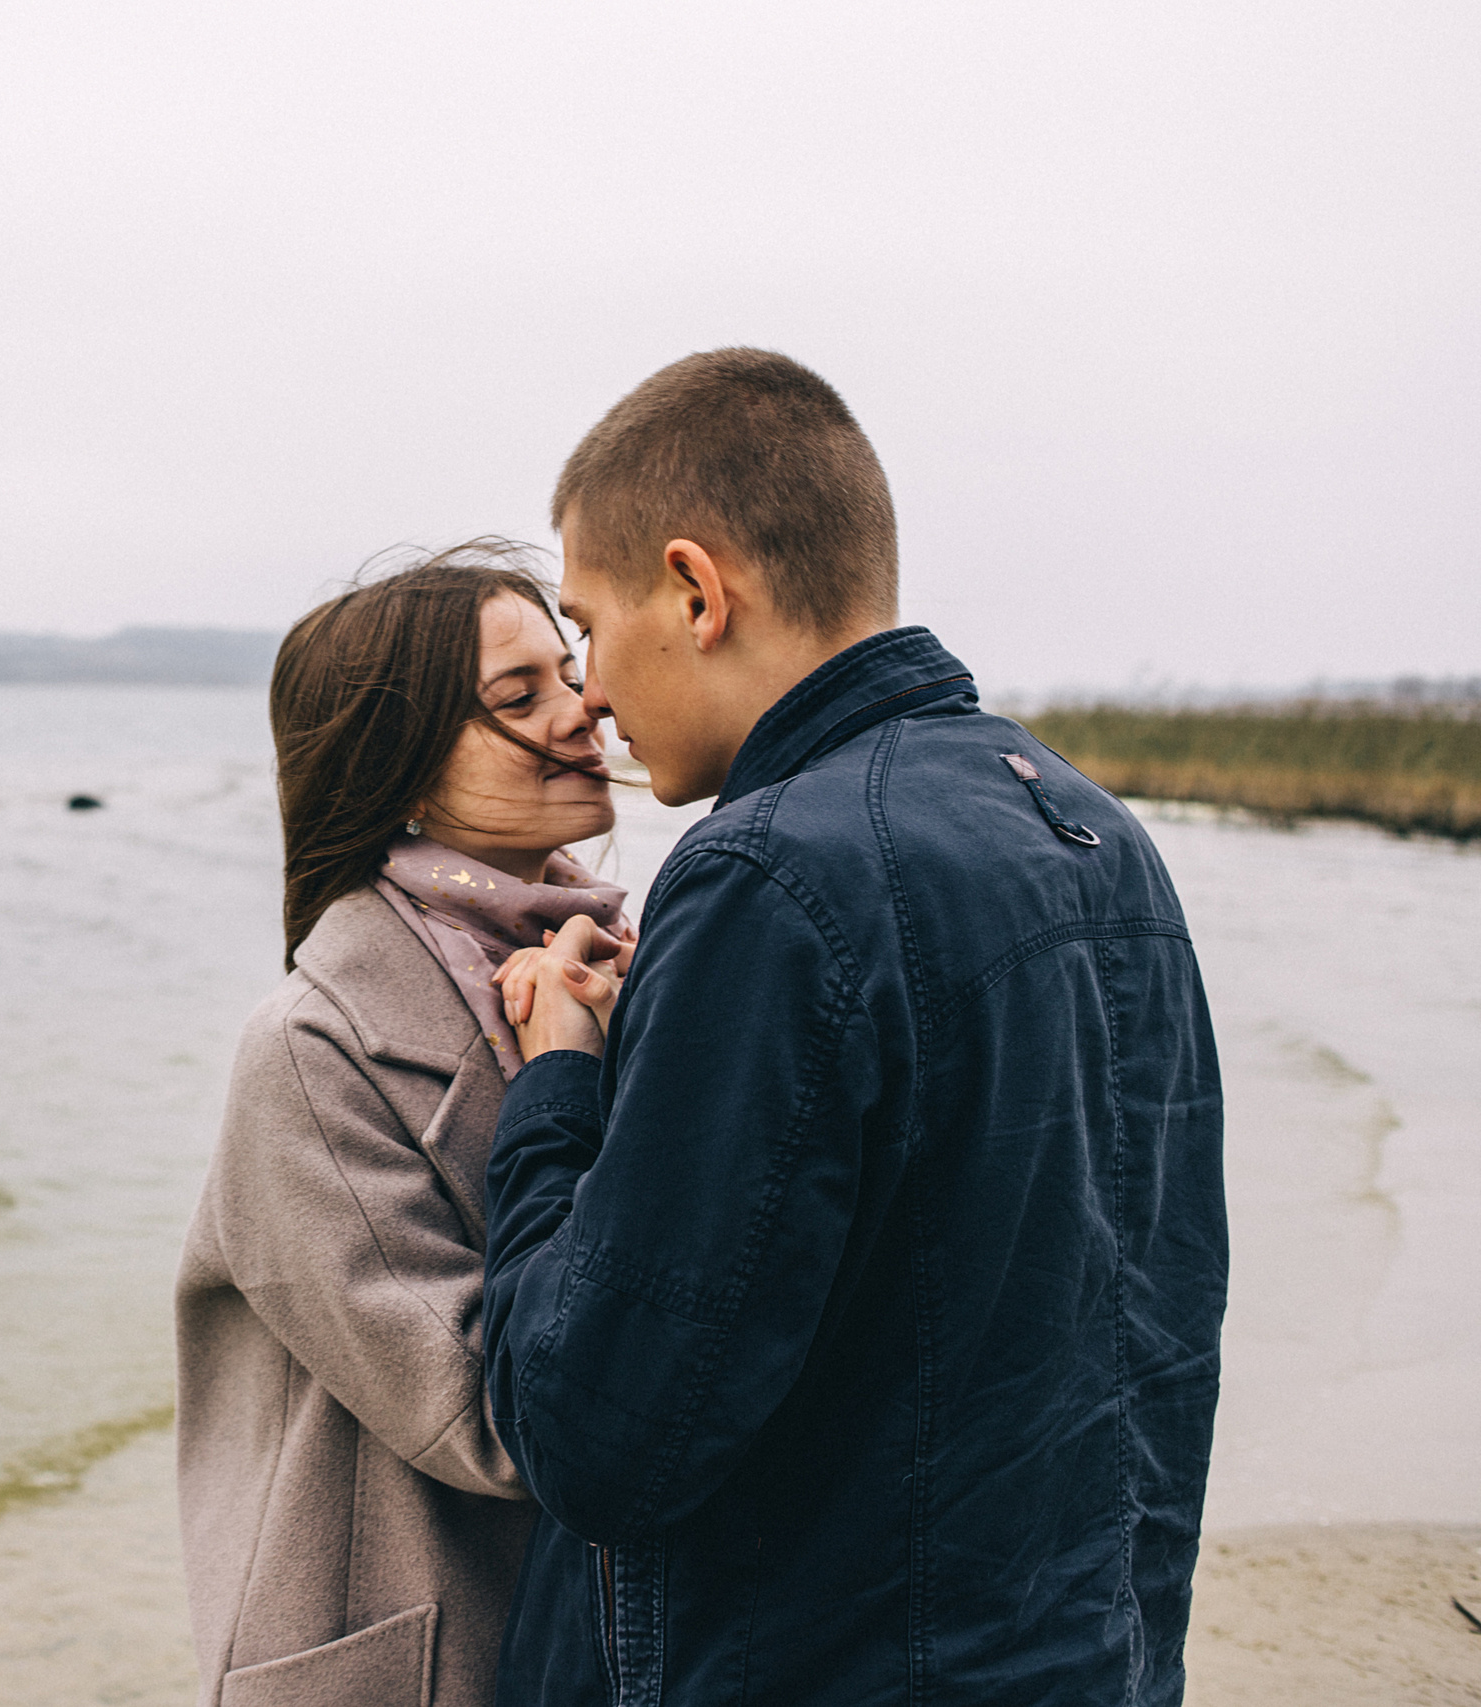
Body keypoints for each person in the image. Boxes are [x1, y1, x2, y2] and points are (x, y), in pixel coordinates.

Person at [482, 349, 1228, 1706]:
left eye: (589, 624)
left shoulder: (765, 873)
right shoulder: (1092, 829)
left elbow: (597, 1431)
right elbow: (1154, 1340)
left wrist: (558, 1085)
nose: (588, 690)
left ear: (698, 592)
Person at [174, 544, 633, 1707]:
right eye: (518, 697)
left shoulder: (608, 967)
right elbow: (491, 1418)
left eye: (569, 675)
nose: (586, 715)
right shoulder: (308, 1050)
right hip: (408, 1663)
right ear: (405, 774)